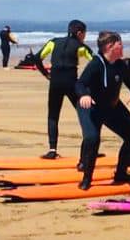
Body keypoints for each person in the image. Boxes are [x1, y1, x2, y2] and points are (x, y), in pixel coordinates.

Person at [74, 31, 130, 190]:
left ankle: (121, 173)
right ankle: (87, 179)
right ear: (109, 46)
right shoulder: (96, 64)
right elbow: (80, 83)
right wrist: (84, 95)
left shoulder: (120, 64)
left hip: (112, 107)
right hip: (91, 107)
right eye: (120, 44)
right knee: (92, 138)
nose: (123, 46)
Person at [35, 20, 93, 159]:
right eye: (84, 33)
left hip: (55, 83)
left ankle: (52, 150)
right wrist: (86, 81)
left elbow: (37, 58)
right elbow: (95, 63)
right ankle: (91, 148)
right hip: (72, 83)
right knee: (86, 114)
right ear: (79, 33)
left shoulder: (53, 42)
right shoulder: (81, 47)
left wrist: (46, 74)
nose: (84, 36)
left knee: (53, 116)